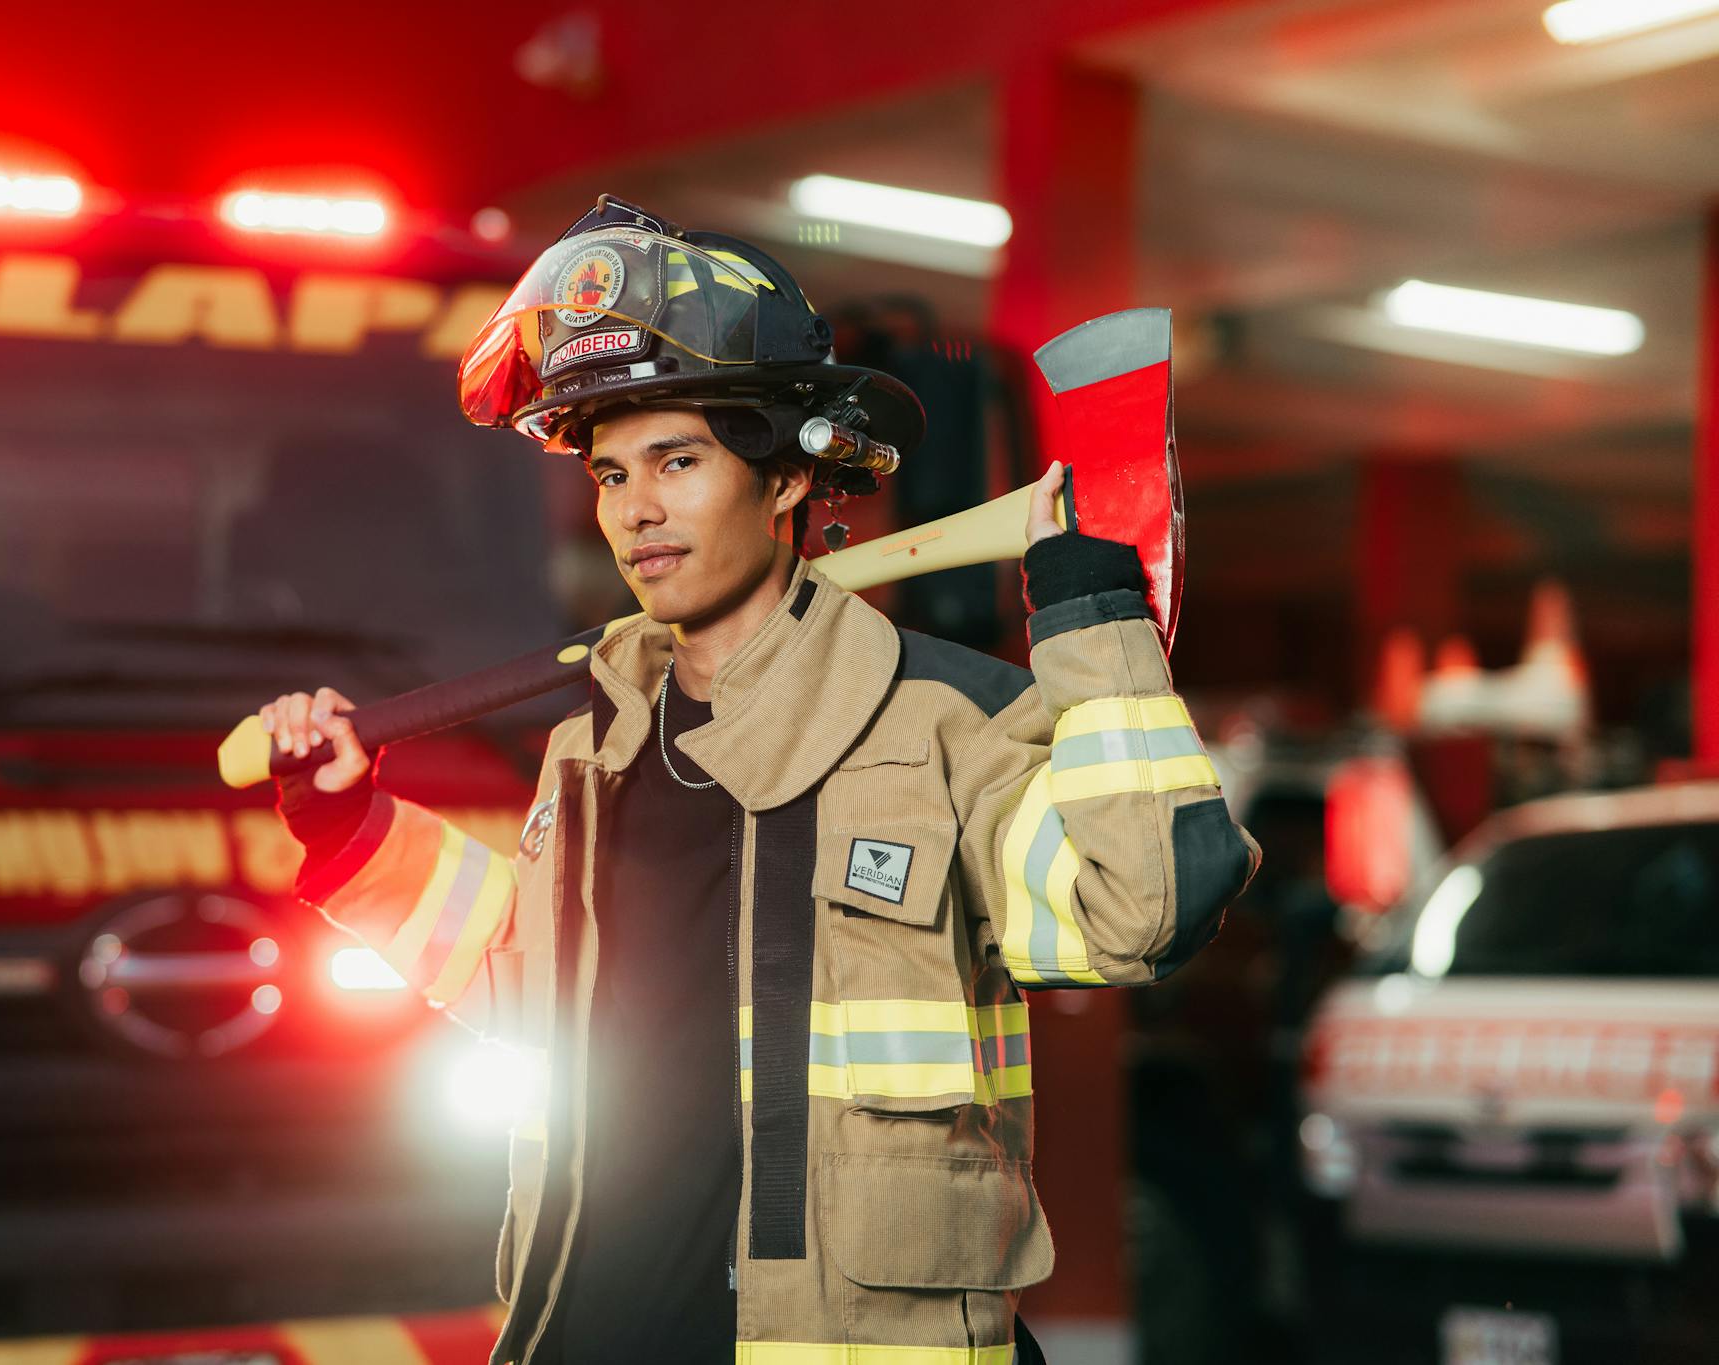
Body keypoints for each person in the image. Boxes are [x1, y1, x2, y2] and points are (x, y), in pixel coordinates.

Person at [257, 196, 1261, 1365]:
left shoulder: (942, 723)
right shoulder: (595, 746)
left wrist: (1094, 624)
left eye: (677, 461)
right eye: (611, 474)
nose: (636, 510)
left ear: (784, 482)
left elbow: (1142, 908)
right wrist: (354, 831)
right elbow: (534, 993)